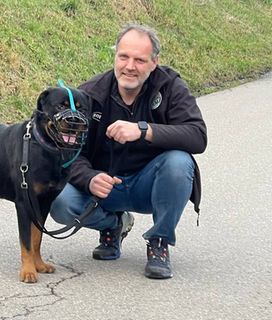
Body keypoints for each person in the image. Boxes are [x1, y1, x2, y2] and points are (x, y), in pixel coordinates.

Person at [50, 23, 207, 279]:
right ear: (115, 56)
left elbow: (198, 136)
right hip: (105, 188)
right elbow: (66, 152)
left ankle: (159, 241)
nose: (129, 66)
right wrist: (88, 177)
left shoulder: (170, 87)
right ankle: (113, 225)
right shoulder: (91, 93)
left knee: (179, 163)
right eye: (123, 57)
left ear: (153, 63)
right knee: (59, 201)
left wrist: (144, 130)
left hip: (151, 186)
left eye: (139, 60)